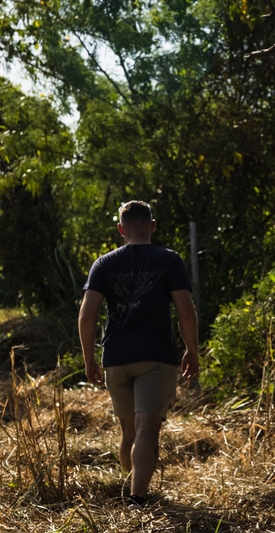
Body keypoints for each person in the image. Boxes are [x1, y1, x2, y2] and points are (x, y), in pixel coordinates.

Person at [77, 200, 200, 510]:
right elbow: (186, 313)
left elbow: (87, 317)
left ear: (121, 229)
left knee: (129, 430)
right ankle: (137, 499)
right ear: (152, 226)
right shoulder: (169, 260)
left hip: (116, 357)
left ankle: (129, 489)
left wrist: (89, 359)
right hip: (155, 356)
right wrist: (192, 350)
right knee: (147, 428)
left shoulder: (103, 264)